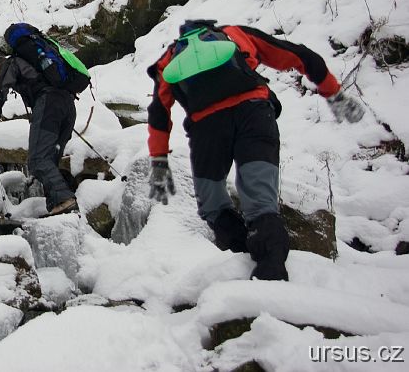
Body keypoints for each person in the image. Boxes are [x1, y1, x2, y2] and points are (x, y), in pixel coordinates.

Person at [146, 19, 364, 281]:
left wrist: (159, 160)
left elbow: (159, 113)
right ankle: (270, 269)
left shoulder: (170, 58)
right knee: (260, 201)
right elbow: (299, 55)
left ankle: (240, 258)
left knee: (213, 205)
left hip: (207, 129)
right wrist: (334, 93)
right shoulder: (233, 34)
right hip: (253, 113)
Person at [0, 40, 79, 217]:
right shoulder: (36, 68)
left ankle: (64, 199)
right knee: (50, 158)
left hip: (49, 104)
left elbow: (0, 91)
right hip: (67, 106)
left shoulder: (9, 63)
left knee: (38, 159)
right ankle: (59, 206)